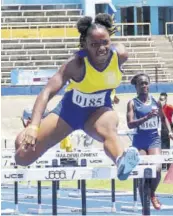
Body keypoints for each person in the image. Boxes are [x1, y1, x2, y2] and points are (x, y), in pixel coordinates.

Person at [15, 13, 140, 181]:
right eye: (94, 44)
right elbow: (46, 92)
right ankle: (29, 130)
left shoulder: (120, 55)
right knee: (22, 156)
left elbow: (106, 78)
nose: (101, 48)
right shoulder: (76, 64)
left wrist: (112, 93)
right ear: (85, 45)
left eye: (105, 42)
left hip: (99, 112)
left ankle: (122, 161)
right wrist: (33, 126)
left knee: (110, 128)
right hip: (67, 114)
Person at [126, 73, 173, 210]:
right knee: (143, 173)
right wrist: (146, 117)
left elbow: (164, 119)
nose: (144, 86)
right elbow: (130, 124)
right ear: (136, 87)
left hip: (153, 139)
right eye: (141, 83)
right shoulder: (132, 103)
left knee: (157, 169)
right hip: (139, 141)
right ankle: (144, 208)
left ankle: (152, 193)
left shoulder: (155, 102)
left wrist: (169, 131)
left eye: (146, 83)